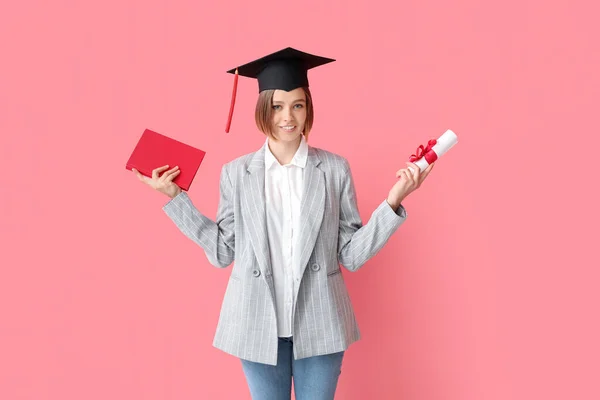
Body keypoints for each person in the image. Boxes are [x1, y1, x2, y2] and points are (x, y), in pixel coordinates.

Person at [132, 47, 434, 400]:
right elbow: (222, 252)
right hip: (255, 324)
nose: (287, 116)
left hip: (321, 322)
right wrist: (175, 198)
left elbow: (350, 255)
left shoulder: (334, 169)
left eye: (297, 105)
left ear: (308, 109)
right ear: (263, 110)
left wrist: (394, 200)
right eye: (277, 106)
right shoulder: (236, 173)